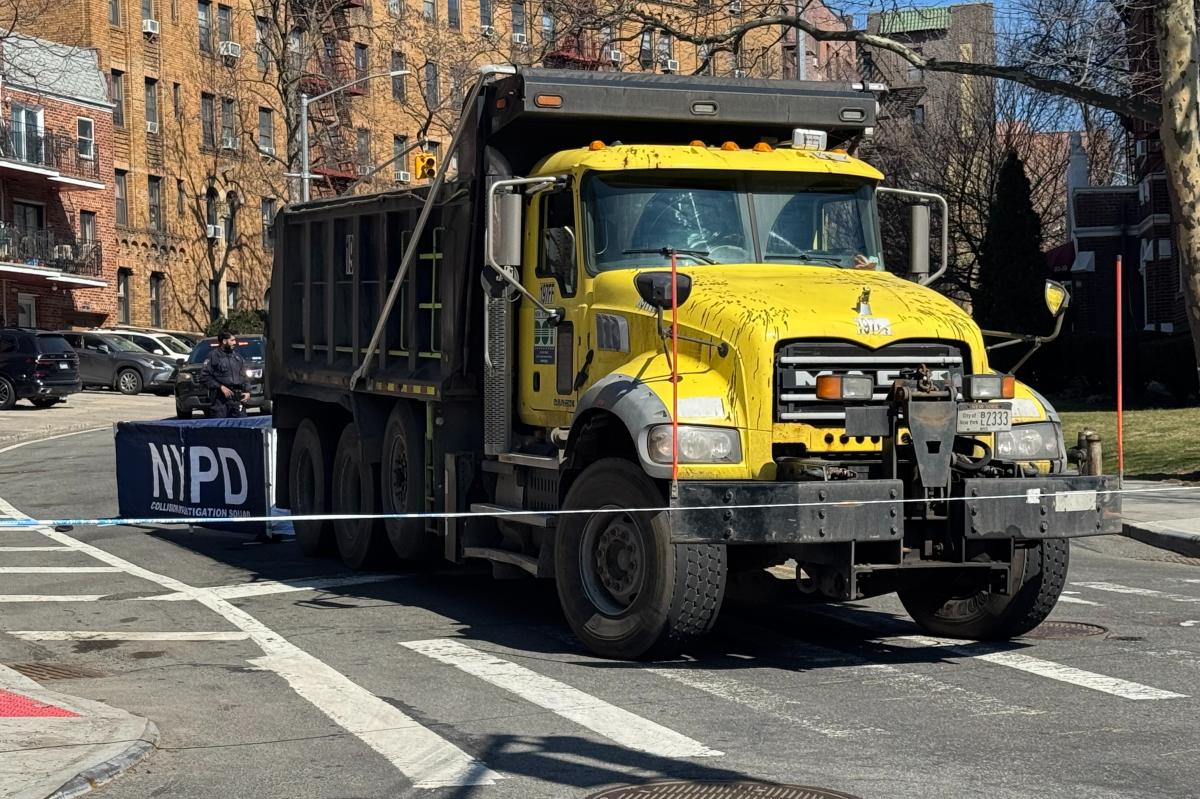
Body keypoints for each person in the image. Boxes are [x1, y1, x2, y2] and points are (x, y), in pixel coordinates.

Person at [199, 330, 249, 418]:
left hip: (237, 400)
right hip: (220, 401)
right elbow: (204, 377)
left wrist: (247, 391)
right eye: (232, 340)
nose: (235, 342)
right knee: (221, 428)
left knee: (241, 428)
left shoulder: (237, 358)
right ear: (224, 341)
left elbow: (244, 376)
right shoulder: (213, 356)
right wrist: (220, 387)